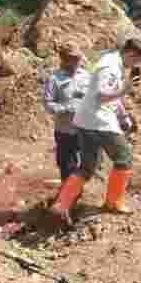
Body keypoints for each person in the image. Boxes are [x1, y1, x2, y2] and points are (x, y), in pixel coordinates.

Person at [53, 32, 141, 223]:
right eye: (136, 61)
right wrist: (125, 89)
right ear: (130, 54)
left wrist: (122, 114)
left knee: (87, 167)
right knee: (124, 157)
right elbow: (101, 95)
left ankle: (61, 204)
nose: (135, 66)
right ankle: (113, 203)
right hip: (98, 120)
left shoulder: (113, 61)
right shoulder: (110, 67)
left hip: (87, 120)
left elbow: (110, 96)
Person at [42, 39, 91, 185]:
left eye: (78, 58)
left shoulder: (86, 76)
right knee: (66, 165)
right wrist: (67, 107)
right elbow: (48, 104)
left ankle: (76, 193)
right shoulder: (55, 79)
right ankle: (67, 196)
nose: (77, 61)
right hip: (65, 130)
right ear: (64, 59)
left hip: (84, 129)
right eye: (73, 58)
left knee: (85, 165)